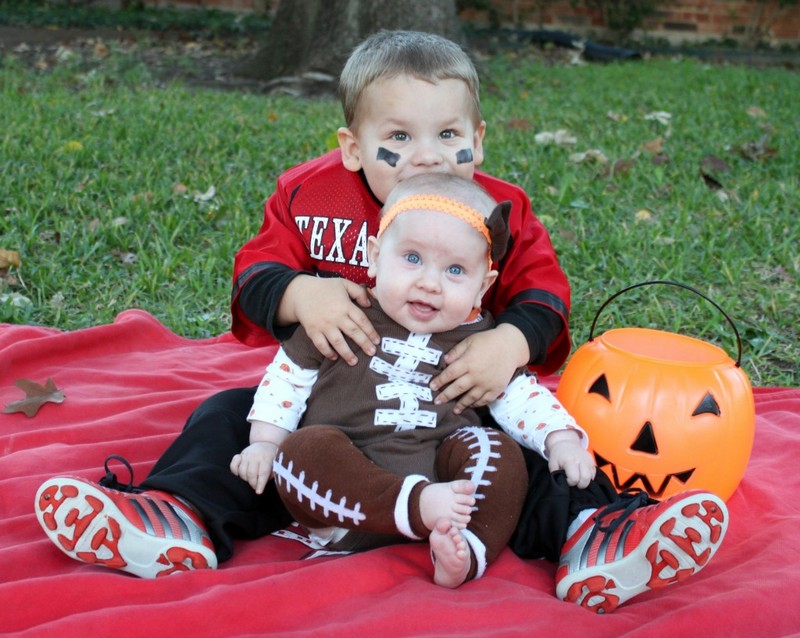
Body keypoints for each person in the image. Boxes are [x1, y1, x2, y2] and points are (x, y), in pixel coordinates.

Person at [34, 30, 728, 613]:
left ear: (479, 140)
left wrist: (507, 343)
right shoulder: (310, 194)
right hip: (328, 419)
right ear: (353, 146)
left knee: (538, 446)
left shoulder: (500, 211)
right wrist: (302, 295)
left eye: (448, 134)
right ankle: (177, 513)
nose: (427, 155)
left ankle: (593, 533)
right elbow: (253, 276)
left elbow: (544, 293)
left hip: (450, 413)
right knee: (227, 417)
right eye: (399, 135)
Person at [230, 173, 591, 588]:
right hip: (345, 503)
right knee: (300, 452)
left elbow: (522, 398)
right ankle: (413, 506)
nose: (429, 282)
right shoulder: (344, 314)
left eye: (455, 270)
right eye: (412, 259)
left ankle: (467, 551)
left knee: (497, 450)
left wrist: (561, 440)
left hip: (445, 493)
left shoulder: (478, 340)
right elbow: (287, 379)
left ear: (482, 287)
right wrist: (263, 442)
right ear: (375, 255)